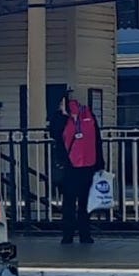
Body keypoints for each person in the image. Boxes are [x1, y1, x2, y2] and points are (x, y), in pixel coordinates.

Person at [48, 93, 103, 246]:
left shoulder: (62, 118)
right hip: (89, 164)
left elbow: (54, 133)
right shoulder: (88, 115)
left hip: (69, 166)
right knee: (85, 203)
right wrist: (100, 164)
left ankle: (68, 236)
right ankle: (85, 235)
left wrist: (60, 114)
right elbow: (98, 140)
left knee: (68, 203)